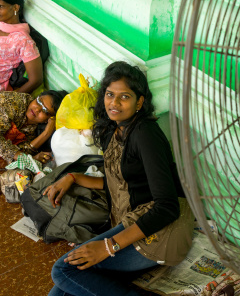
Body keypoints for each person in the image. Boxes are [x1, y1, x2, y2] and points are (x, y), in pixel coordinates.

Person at [46, 61, 194, 296]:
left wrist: (108, 246)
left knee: (63, 271)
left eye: (124, 97)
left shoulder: (145, 134)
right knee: (59, 292)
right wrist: (74, 177)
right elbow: (120, 183)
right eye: (109, 94)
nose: (114, 103)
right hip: (135, 222)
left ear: (140, 102)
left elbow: (167, 208)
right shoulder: (112, 129)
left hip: (160, 229)